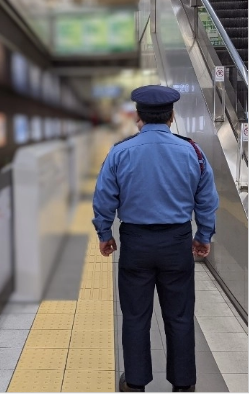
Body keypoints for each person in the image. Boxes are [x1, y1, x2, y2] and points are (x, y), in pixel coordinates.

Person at [92, 85, 219, 392]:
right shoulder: (193, 152)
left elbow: (103, 198)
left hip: (136, 243)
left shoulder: (120, 152)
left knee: (135, 316)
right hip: (176, 242)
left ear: (138, 116)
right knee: (179, 315)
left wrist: (105, 233)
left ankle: (135, 383)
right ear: (172, 116)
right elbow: (207, 200)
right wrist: (203, 235)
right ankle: (184, 383)